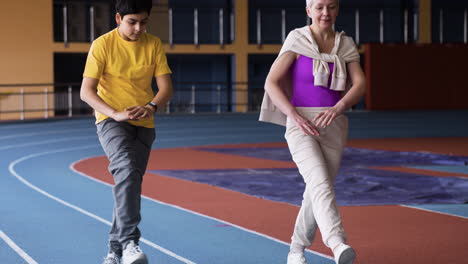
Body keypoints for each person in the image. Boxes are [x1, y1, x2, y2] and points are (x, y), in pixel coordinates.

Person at [259, 0, 366, 263]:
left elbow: (360, 83)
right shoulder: (297, 39)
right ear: (309, 11)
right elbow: (271, 82)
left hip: (334, 123)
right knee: (319, 182)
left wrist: (339, 107)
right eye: (319, 7)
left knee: (317, 189)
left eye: (330, 7)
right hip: (300, 124)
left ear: (338, 9)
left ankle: (296, 249)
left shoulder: (346, 44)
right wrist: (292, 115)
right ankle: (337, 242)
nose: (325, 13)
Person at [80, 0, 173, 263]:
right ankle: (130, 241)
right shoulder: (102, 44)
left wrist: (152, 106)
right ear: (119, 18)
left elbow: (166, 87)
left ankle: (113, 251)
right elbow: (86, 91)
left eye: (143, 22)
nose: (138, 28)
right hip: (111, 121)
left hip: (144, 124)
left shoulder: (153, 44)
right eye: (132, 22)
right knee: (127, 173)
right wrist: (115, 113)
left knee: (128, 183)